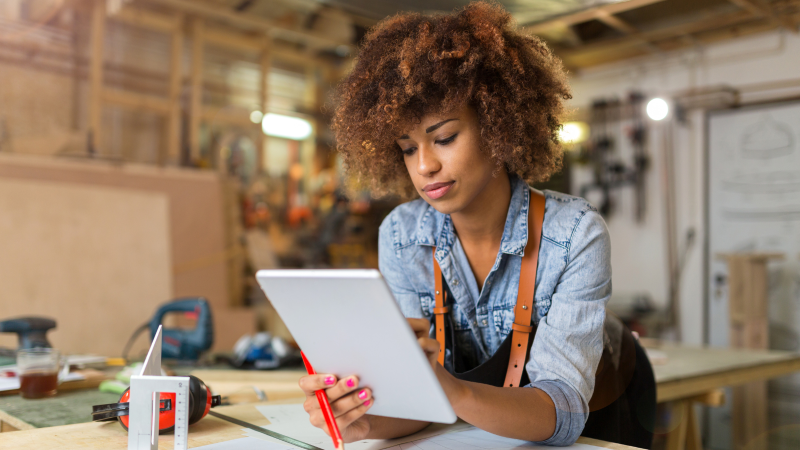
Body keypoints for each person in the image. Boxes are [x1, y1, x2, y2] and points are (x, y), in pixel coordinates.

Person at [298, 2, 655, 448]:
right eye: (408, 148)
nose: (425, 165)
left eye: (444, 138)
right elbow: (418, 404)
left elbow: (562, 414)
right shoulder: (402, 235)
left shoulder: (574, 235)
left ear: (498, 127)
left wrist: (450, 390)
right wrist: (361, 420)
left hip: (605, 406)